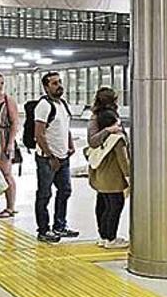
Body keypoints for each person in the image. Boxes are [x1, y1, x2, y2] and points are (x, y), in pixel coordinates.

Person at [34, 72, 78, 243]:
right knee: (44, 194)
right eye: (54, 83)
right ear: (46, 87)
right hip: (47, 158)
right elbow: (39, 134)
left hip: (63, 156)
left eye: (59, 82)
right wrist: (50, 155)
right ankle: (43, 230)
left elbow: (65, 126)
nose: (59, 85)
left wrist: (70, 144)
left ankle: (60, 225)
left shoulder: (62, 104)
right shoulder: (44, 105)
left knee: (65, 191)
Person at [86, 87, 130, 249]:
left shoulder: (95, 117)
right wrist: (129, 176)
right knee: (115, 204)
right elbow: (122, 158)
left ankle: (103, 236)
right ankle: (110, 237)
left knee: (103, 203)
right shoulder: (109, 127)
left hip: (99, 170)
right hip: (112, 174)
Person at [0, 72, 19, 218]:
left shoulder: (8, 100)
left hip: (3, 138)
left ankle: (10, 206)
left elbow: (15, 122)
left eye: (1, 83)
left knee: (6, 173)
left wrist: (10, 143)